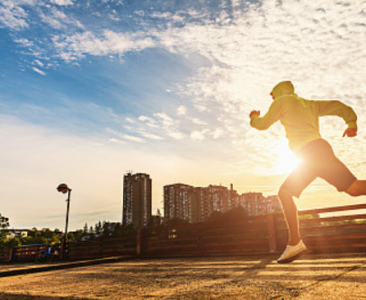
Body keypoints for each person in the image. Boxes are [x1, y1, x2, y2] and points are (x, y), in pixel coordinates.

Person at [249, 81, 365, 263]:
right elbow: (339, 106)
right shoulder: (310, 104)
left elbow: (263, 124)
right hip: (318, 151)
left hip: (310, 154)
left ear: (279, 92)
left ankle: (295, 242)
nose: (271, 98)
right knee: (354, 189)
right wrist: (351, 122)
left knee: (285, 192)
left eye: (272, 94)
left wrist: (254, 118)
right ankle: (294, 242)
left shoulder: (281, 101)